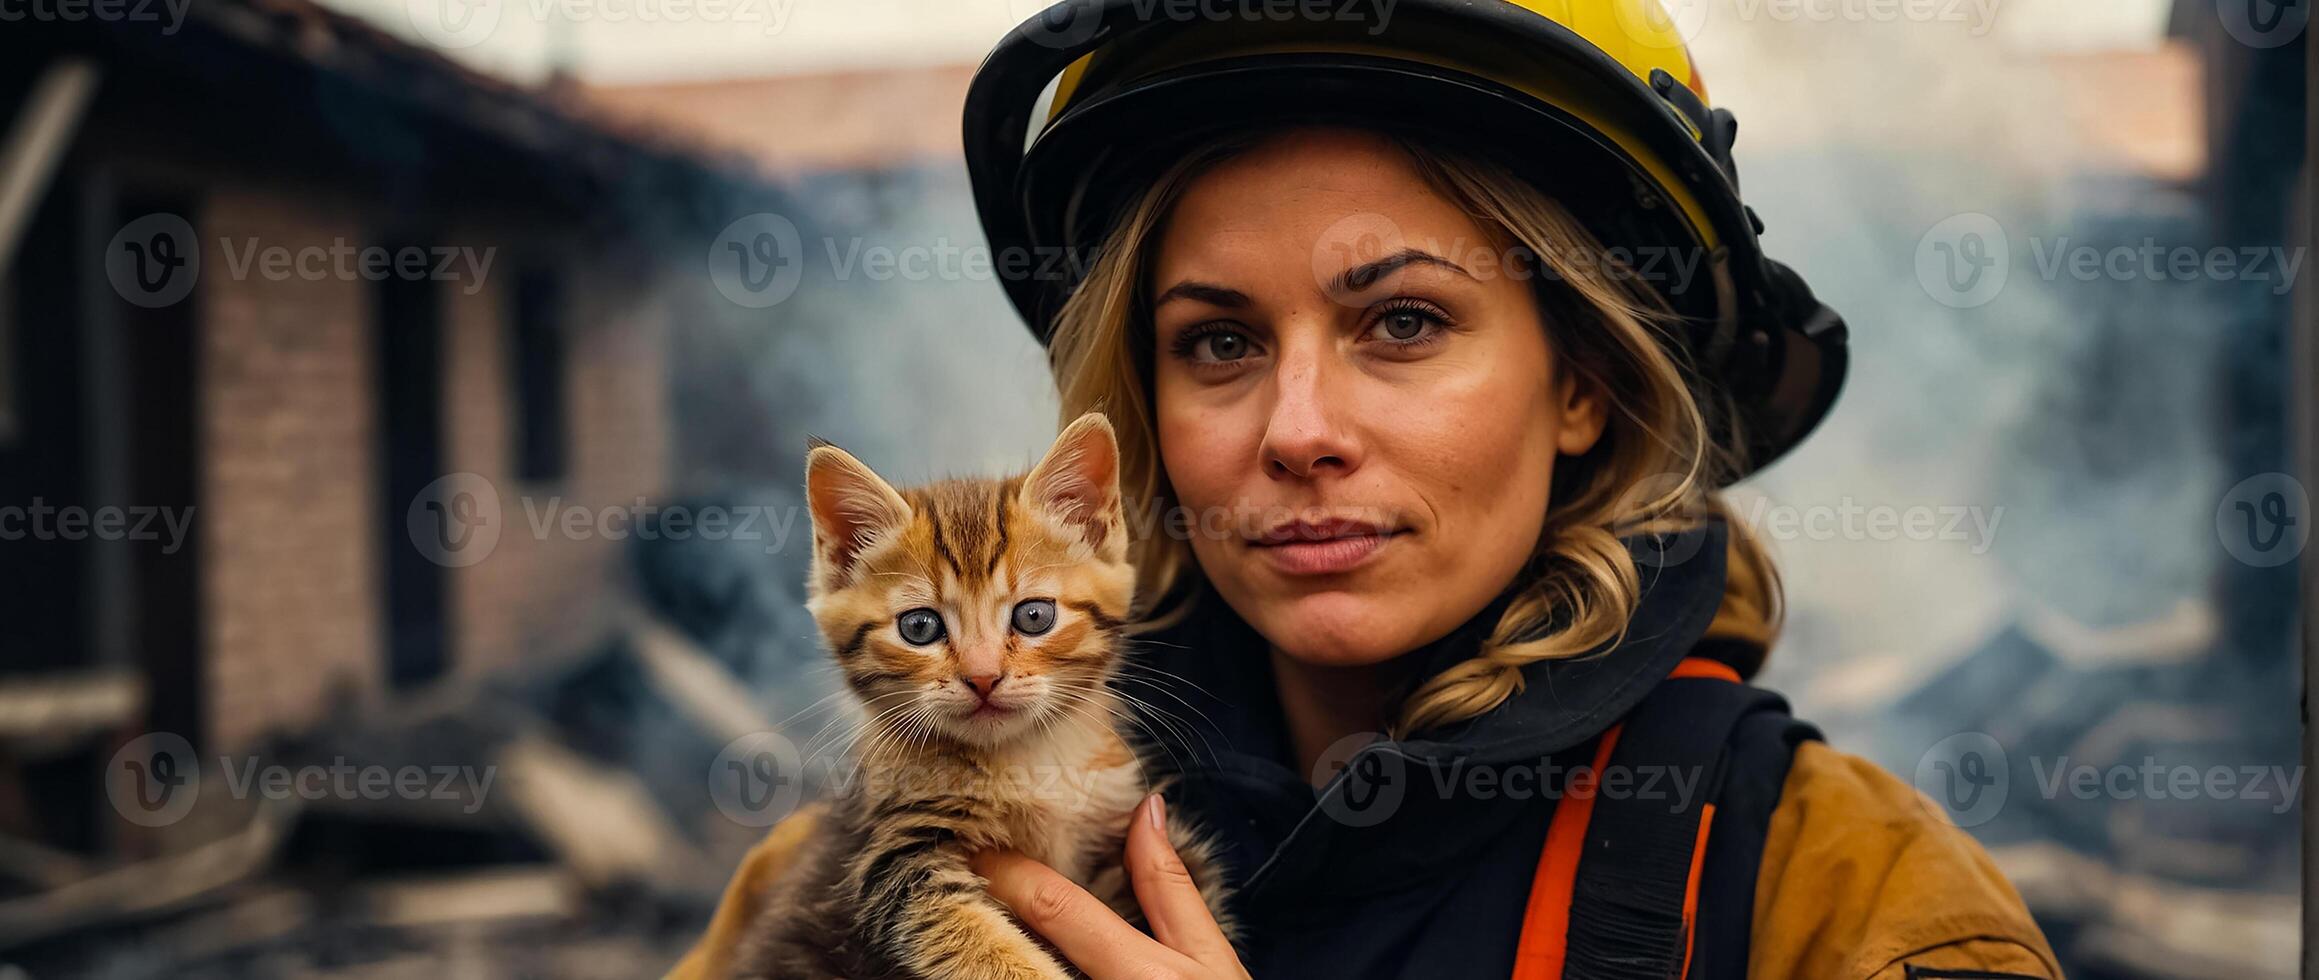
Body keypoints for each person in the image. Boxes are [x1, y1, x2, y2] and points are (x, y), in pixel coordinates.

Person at [671, 1, 2061, 977]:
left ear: (1583, 380)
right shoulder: (842, 886)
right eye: (1217, 341)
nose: (1300, 428)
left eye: (1402, 321)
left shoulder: (1847, 893)